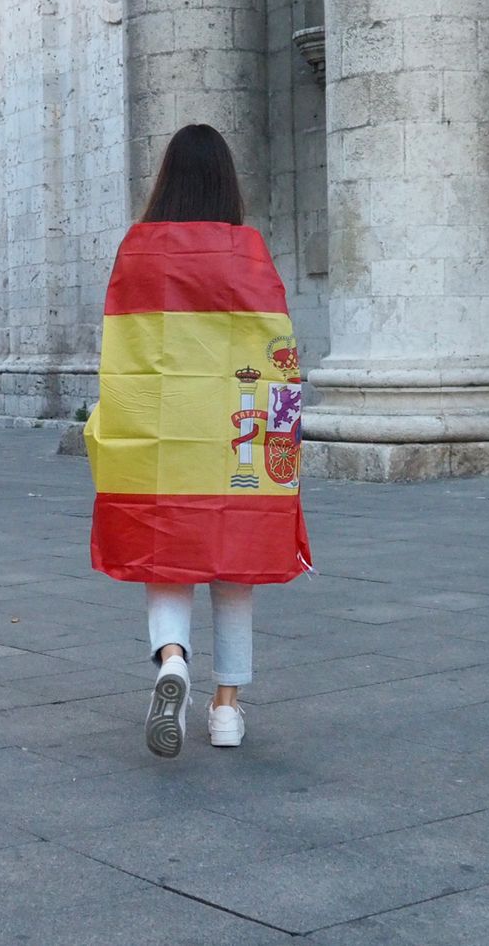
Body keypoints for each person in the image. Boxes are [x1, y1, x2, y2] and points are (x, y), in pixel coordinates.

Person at [84, 124, 311, 756]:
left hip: (161, 435)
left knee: (166, 552)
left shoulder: (138, 250)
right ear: (226, 183)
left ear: (166, 180)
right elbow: (278, 350)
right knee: (234, 563)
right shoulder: (249, 251)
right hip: (237, 437)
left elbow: (122, 353)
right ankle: (228, 710)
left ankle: (173, 660)